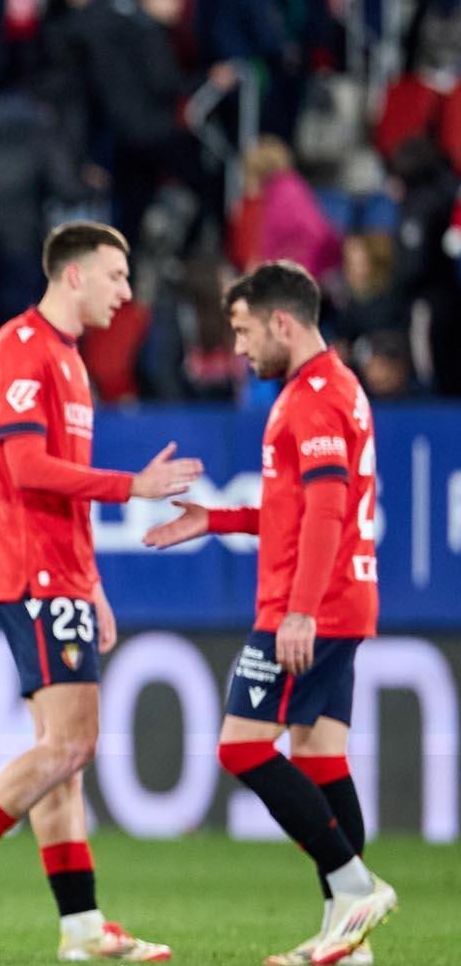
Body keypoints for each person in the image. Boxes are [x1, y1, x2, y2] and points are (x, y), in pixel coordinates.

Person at [0, 222, 197, 963]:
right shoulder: (21, 351)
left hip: (58, 572)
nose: (127, 293)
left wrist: (92, 582)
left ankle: (82, 926)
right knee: (72, 743)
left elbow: (67, 497)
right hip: (30, 572)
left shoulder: (68, 361)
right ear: (73, 276)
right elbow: (27, 468)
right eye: (116, 277)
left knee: (62, 758)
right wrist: (133, 488)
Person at [144, 262, 398, 966]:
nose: (240, 348)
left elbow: (325, 508)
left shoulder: (314, 398)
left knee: (241, 746)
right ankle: (346, 943)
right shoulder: (329, 389)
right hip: (339, 601)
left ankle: (355, 889)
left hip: (310, 605)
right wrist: (216, 517)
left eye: (243, 330)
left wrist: (300, 612)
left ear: (282, 321)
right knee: (319, 757)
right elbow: (295, 509)